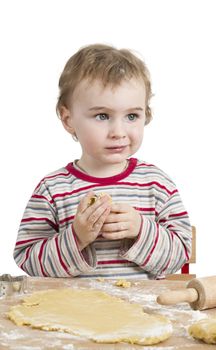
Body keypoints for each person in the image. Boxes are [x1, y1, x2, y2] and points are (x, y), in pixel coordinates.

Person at [14, 44, 192, 279]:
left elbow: (181, 253)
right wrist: (76, 237)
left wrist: (141, 229)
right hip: (72, 313)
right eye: (102, 116)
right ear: (68, 119)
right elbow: (27, 259)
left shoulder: (156, 184)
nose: (118, 131)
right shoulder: (52, 189)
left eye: (132, 116)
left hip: (144, 313)